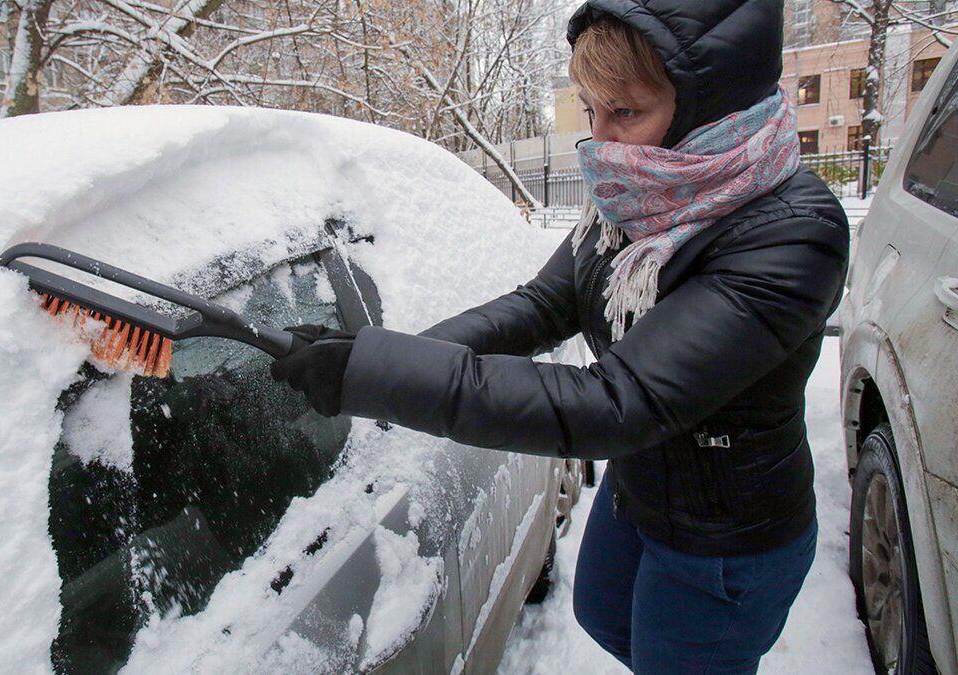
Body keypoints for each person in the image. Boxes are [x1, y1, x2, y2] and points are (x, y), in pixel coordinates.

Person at [270, 1, 849, 672]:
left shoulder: (793, 234)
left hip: (725, 539)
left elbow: (615, 401)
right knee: (602, 614)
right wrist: (389, 354)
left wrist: (377, 375)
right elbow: (546, 303)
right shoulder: (636, 195)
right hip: (642, 490)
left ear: (709, 109)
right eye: (589, 109)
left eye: (624, 112)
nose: (600, 141)